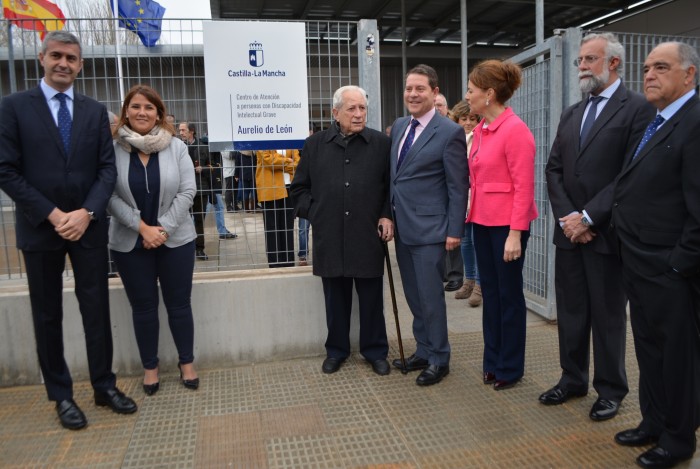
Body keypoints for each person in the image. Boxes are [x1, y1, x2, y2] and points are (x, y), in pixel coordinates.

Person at [0, 31, 137, 430]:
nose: (63, 63)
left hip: (88, 228)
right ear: (41, 58)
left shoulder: (94, 111)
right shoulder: (13, 107)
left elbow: (106, 170)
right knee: (47, 315)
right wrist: (53, 214)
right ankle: (61, 395)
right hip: (41, 229)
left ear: (80, 65)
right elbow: (6, 169)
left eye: (71, 58)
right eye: (56, 56)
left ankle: (103, 386)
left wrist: (87, 212)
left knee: (95, 308)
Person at [541, 33, 655, 421]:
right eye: (580, 60)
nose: (582, 67)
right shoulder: (572, 113)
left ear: (614, 64)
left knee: (607, 316)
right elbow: (554, 169)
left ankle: (610, 389)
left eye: (590, 59)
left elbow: (630, 174)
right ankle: (572, 379)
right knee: (571, 312)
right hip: (569, 234)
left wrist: (588, 217)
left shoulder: (637, 109)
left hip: (606, 234)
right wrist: (568, 218)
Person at [611, 41, 700, 469]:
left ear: (689, 75)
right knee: (648, 349)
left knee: (677, 357)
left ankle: (679, 439)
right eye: (646, 68)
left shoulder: (694, 122)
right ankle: (654, 422)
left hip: (670, 268)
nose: (648, 75)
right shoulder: (658, 120)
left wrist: (679, 264)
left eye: (661, 67)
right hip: (640, 263)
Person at [290, 85, 393, 376]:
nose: (359, 114)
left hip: (367, 234)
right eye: (352, 109)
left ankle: (375, 351)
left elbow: (390, 189)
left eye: (362, 108)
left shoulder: (380, 145)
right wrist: (317, 214)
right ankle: (336, 350)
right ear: (336, 113)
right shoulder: (315, 145)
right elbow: (298, 189)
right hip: (330, 235)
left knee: (372, 299)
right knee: (335, 299)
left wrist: (387, 215)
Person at [107, 85, 200, 395]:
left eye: (149, 107)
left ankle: (186, 363)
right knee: (143, 308)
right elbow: (107, 194)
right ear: (126, 113)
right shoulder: (112, 149)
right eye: (135, 107)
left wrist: (161, 229)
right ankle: (150, 368)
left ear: (159, 113)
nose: (142, 112)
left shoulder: (176, 147)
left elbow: (188, 192)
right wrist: (141, 227)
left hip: (175, 241)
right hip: (130, 244)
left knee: (179, 305)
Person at [389, 64, 469, 386]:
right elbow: (394, 177)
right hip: (402, 227)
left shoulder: (449, 132)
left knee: (431, 298)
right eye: (409, 88)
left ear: (434, 92)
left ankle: (439, 358)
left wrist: (454, 231)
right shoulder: (398, 127)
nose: (412, 94)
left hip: (431, 231)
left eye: (420, 89)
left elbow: (457, 186)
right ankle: (423, 349)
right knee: (413, 296)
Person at [465, 59, 538, 391]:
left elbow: (524, 187)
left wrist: (514, 234)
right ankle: (492, 361)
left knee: (508, 297)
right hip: (481, 221)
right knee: (491, 294)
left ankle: (510, 366)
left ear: (489, 94)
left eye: (471, 89)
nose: (467, 95)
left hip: (507, 227)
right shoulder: (481, 129)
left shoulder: (515, 130)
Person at [450, 100, 482, 307]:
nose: (468, 123)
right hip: (463, 198)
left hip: (477, 197)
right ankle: (468, 279)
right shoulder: (455, 138)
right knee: (466, 242)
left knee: (477, 241)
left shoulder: (479, 137)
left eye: (472, 119)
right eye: (464, 119)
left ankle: (480, 284)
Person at [437, 93, 465, 293]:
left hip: (452, 192)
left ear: (447, 108)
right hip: (436, 196)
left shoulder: (453, 130)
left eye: (440, 105)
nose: (437, 108)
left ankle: (456, 275)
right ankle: (445, 272)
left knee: (453, 234)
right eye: (435, 104)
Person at [256, 149, 299, 268]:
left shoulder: (289, 137)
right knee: (272, 228)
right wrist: (287, 161)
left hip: (289, 187)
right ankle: (275, 263)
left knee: (287, 227)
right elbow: (268, 160)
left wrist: (280, 164)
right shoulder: (263, 138)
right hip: (270, 188)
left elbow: (298, 163)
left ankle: (289, 261)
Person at [178, 121, 212, 260]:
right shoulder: (178, 148)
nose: (180, 133)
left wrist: (202, 168)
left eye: (183, 130)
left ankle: (199, 249)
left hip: (200, 189)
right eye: (179, 130)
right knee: (181, 220)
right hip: (182, 190)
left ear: (191, 131)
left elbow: (212, 166)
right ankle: (184, 248)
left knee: (199, 220)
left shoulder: (203, 147)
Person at [206, 149, 237, 239]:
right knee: (206, 209)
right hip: (211, 183)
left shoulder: (216, 150)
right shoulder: (213, 149)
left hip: (215, 182)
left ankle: (222, 231)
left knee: (218, 207)